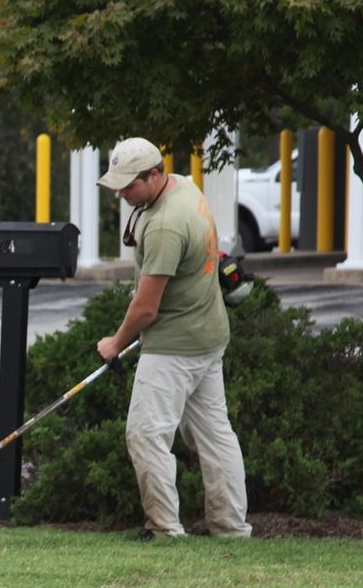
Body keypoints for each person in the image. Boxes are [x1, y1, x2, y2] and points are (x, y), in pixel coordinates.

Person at [93, 136, 252, 540]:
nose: (124, 193)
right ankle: (231, 528)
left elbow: (146, 308)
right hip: (209, 335)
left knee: (146, 435)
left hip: (174, 347)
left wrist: (115, 342)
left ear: (154, 174)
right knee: (215, 434)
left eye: (130, 185)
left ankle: (164, 529)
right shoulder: (184, 187)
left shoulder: (164, 224)